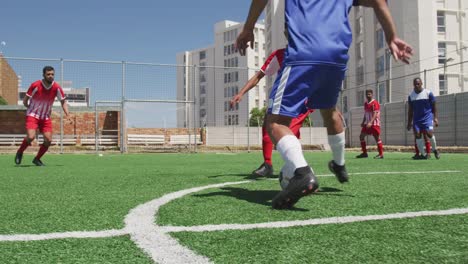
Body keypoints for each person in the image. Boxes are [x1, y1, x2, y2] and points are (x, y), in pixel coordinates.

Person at [236, 0, 412, 209]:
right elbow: (378, 2)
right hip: (336, 58)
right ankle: (339, 163)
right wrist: (391, 36)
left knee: (274, 123)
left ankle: (302, 173)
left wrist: (248, 28)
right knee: (330, 111)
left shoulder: (283, 50)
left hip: (304, 52)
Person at [230, 48, 314, 177]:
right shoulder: (279, 54)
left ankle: (301, 169)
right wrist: (241, 93)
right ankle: (268, 164)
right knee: (268, 126)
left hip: (302, 100)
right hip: (280, 97)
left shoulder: (313, 53)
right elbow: (259, 75)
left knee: (290, 132)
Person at [14, 66, 69, 166]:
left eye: (52, 74)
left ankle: (37, 159)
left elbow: (63, 101)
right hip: (33, 115)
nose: (50, 76)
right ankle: (20, 151)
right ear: (43, 75)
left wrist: (67, 114)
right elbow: (25, 100)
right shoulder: (35, 85)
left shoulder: (57, 87)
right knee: (31, 136)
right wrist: (29, 108)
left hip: (45, 117)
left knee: (48, 140)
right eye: (48, 74)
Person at [406, 77, 440, 160]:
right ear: (413, 85)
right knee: (417, 136)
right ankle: (423, 154)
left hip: (427, 118)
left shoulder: (428, 93)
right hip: (417, 120)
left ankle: (435, 149)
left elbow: (434, 105)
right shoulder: (411, 96)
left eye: (418, 83)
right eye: (415, 84)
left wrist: (435, 118)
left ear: (421, 83)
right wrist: (409, 122)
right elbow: (410, 111)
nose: (417, 85)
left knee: (429, 134)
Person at [356, 89, 384, 159]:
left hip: (374, 123)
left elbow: (375, 113)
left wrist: (370, 122)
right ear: (365, 95)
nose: (368, 95)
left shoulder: (375, 103)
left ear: (372, 94)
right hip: (367, 124)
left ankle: (381, 154)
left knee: (377, 137)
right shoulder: (365, 104)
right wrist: (363, 122)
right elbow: (365, 114)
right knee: (361, 136)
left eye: (369, 94)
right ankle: (364, 153)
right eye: (367, 94)